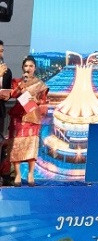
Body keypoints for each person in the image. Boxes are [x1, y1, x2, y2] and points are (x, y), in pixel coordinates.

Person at [3, 56, 48, 186]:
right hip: (18, 116)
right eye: (26, 66)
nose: (28, 68)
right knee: (16, 145)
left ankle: (30, 174)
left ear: (35, 68)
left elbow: (44, 101)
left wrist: (35, 100)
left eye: (31, 66)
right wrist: (22, 85)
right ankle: (17, 174)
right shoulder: (16, 81)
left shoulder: (40, 84)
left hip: (32, 116)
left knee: (31, 144)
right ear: (22, 68)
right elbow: (12, 95)